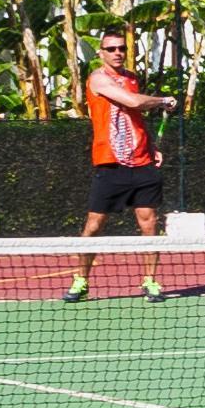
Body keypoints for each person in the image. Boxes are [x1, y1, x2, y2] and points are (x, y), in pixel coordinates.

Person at [67, 32, 169, 303]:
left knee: (149, 225)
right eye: (110, 48)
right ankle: (81, 280)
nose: (117, 52)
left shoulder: (133, 78)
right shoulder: (98, 79)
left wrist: (151, 148)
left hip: (143, 164)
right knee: (93, 226)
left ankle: (150, 281)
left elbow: (136, 117)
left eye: (121, 48)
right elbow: (135, 102)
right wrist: (162, 101)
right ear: (100, 53)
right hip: (111, 165)